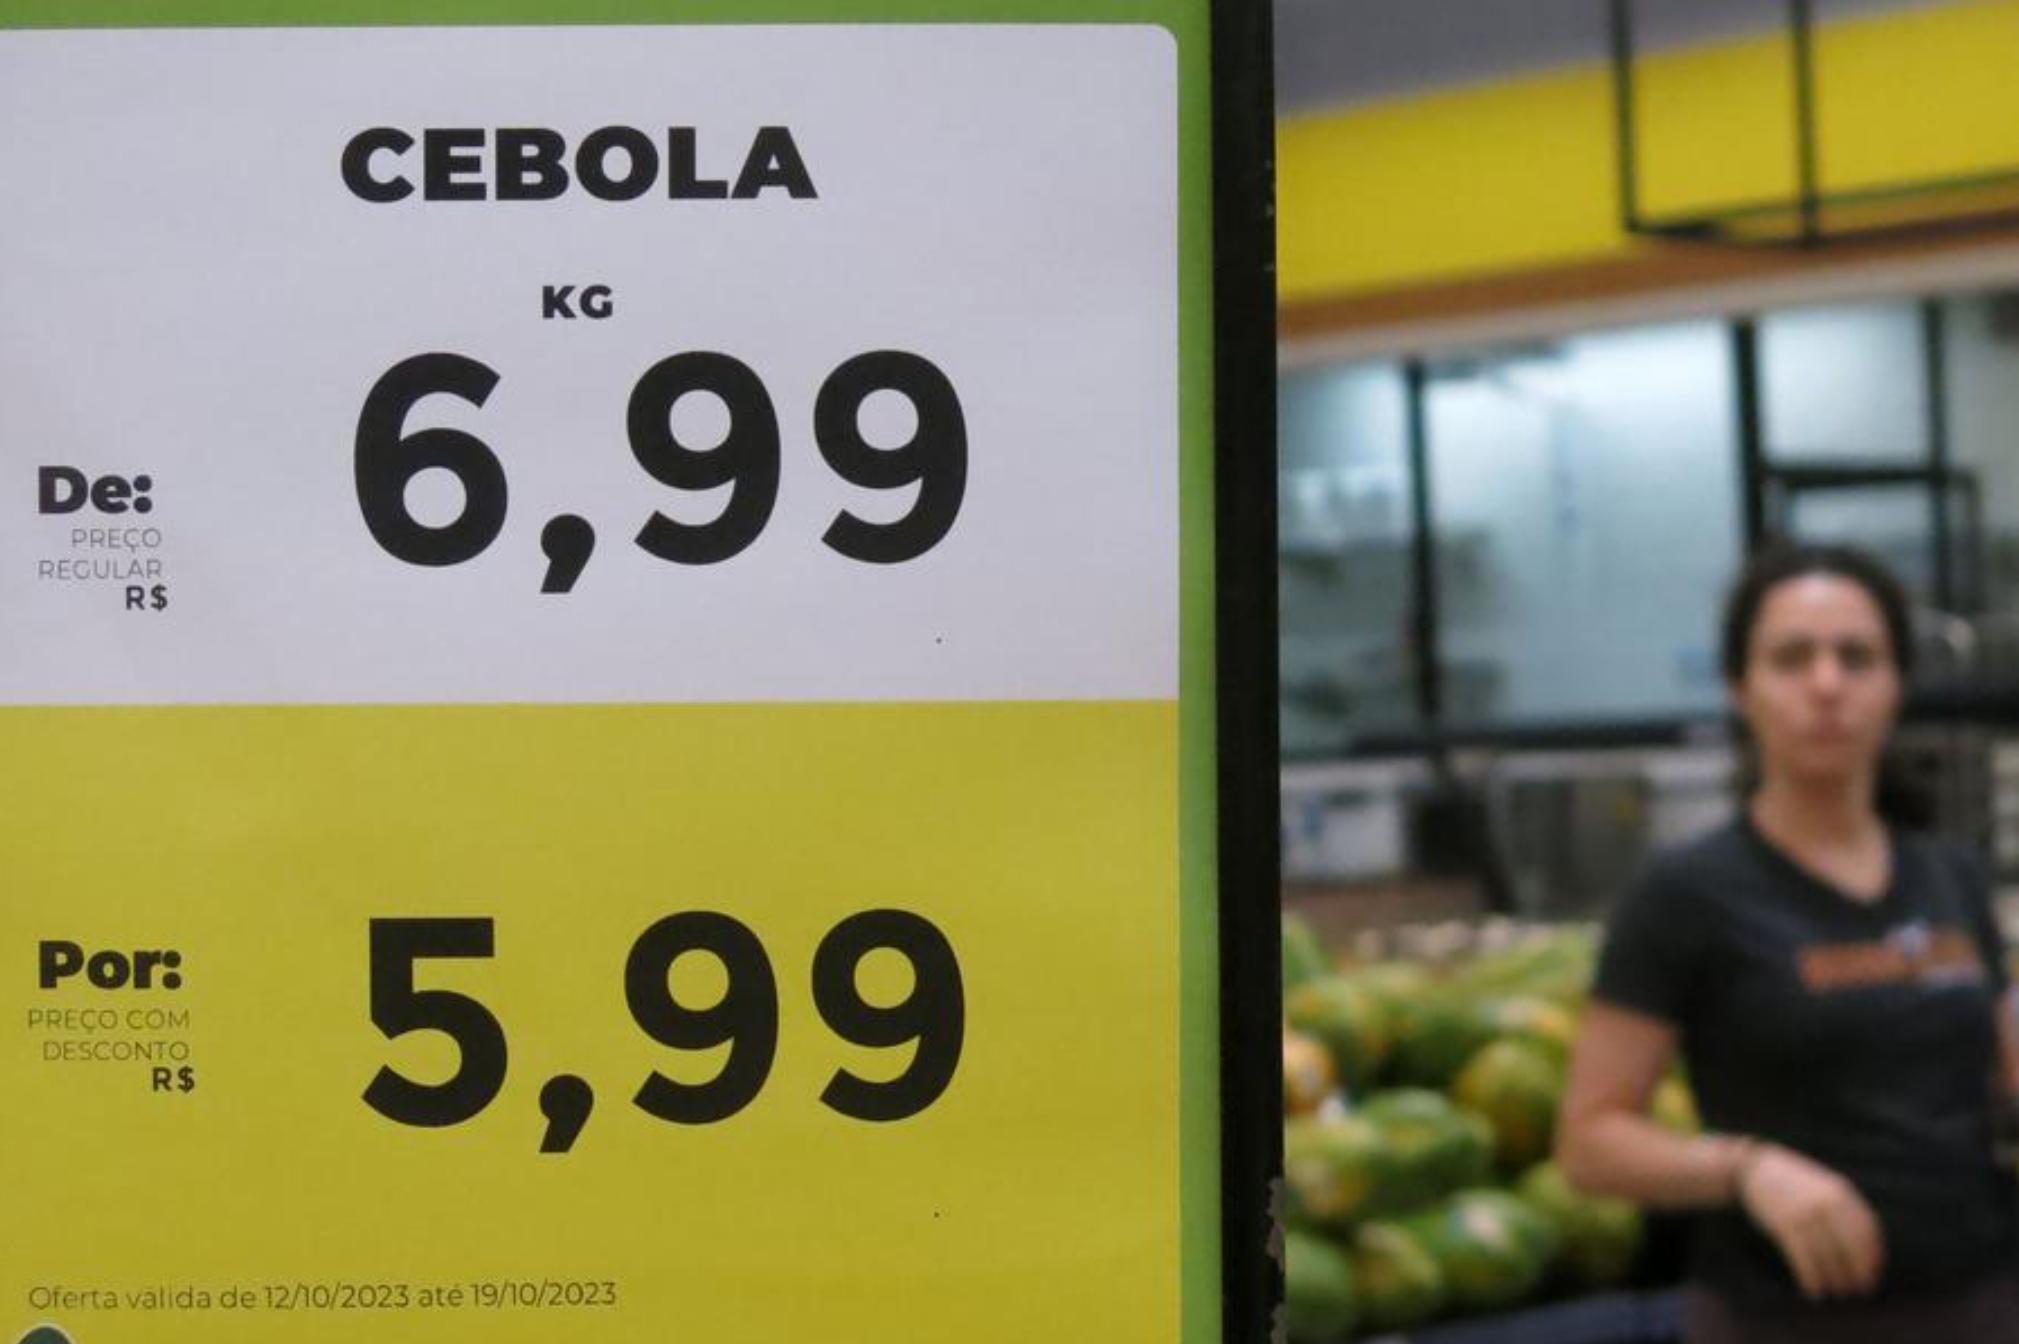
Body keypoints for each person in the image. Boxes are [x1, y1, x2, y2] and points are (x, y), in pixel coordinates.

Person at [1555, 541, 2019, 1342]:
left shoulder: (1952, 876)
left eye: (1856, 657)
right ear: (1741, 687)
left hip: (1976, 1303)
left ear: (1896, 684)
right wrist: (1747, 1170)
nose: (1827, 684)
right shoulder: (1686, 893)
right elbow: (1590, 1142)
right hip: (1776, 1318)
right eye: (1792, 657)